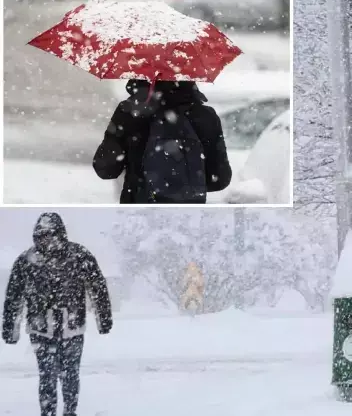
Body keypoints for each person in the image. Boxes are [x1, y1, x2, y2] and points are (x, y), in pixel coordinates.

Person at [2, 212, 113, 416]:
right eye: (42, 235)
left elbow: (98, 288)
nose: (47, 240)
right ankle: (48, 412)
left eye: (51, 234)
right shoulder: (26, 261)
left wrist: (104, 318)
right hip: (41, 329)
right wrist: (10, 329)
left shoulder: (79, 256)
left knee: (70, 375)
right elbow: (13, 297)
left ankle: (70, 411)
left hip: (72, 328)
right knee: (47, 376)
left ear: (60, 234)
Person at [93, 79, 232, 204]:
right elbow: (220, 179)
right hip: (189, 216)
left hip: (139, 212)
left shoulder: (130, 112)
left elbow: (106, 169)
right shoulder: (205, 115)